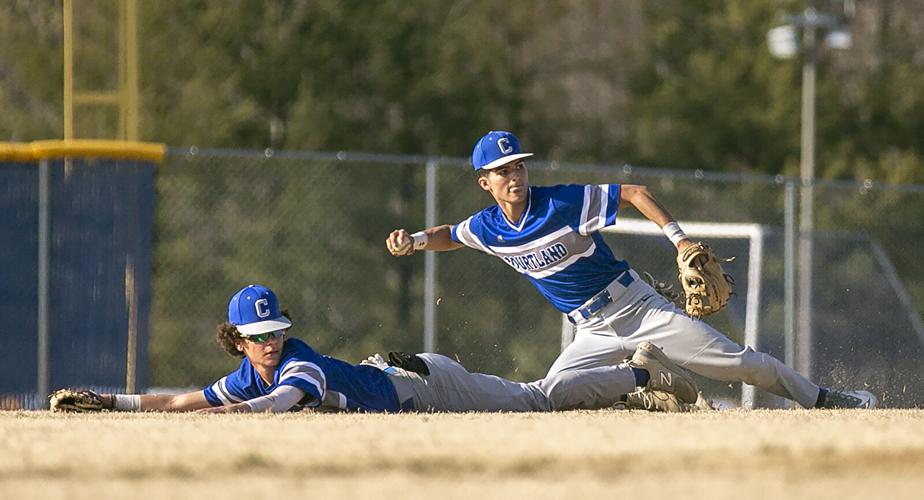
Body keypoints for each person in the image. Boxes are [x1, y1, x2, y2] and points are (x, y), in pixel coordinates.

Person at [386, 130, 877, 410]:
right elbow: (452, 234)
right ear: (484, 182)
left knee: (740, 363)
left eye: (518, 166)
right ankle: (643, 382)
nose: (514, 176)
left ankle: (828, 398)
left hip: (639, 309)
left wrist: (679, 238)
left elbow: (635, 192)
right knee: (549, 398)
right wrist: (414, 241)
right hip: (590, 332)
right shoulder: (488, 227)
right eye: (503, 170)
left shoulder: (561, 202)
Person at [68, 284, 704, 414]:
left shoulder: (293, 367)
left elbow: (289, 398)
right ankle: (628, 389)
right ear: (237, 341)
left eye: (277, 329)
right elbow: (182, 398)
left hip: (428, 386)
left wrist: (229, 415)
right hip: (405, 381)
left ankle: (635, 375)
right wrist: (111, 401)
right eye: (259, 335)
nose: (272, 340)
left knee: (536, 398)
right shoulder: (247, 374)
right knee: (535, 399)